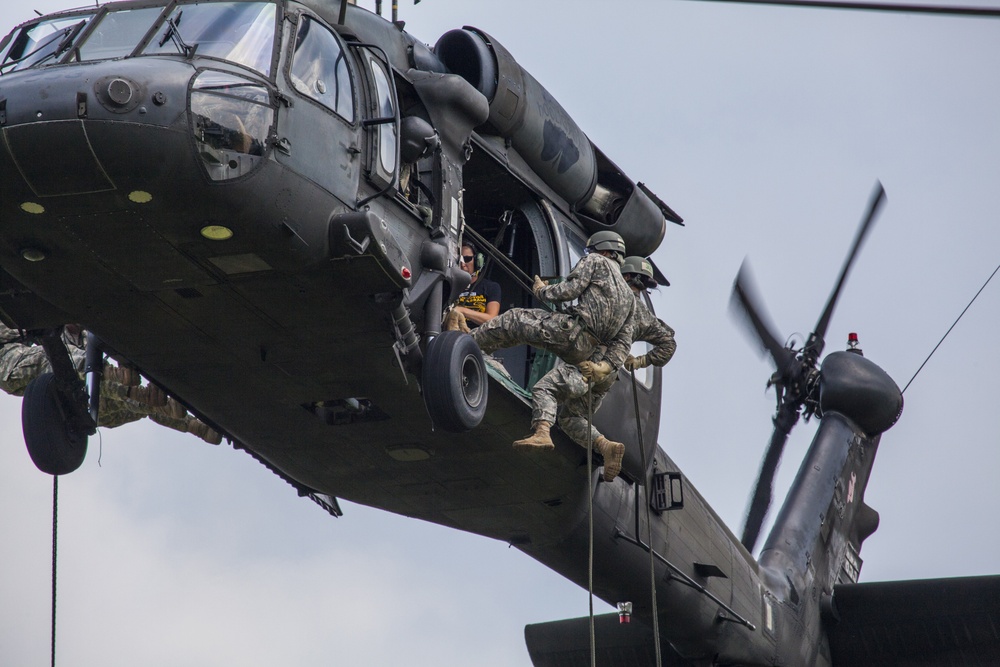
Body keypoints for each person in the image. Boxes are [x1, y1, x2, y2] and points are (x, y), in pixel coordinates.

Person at [445, 231, 634, 477]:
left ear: (604, 251)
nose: (590, 255)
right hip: (599, 364)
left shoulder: (596, 262)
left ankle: (462, 342)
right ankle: (602, 446)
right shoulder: (630, 298)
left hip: (575, 335)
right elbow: (624, 343)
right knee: (568, 415)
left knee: (515, 320)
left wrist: (543, 290)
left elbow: (570, 289)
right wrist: (603, 367)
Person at [0, 323, 222, 444]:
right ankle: (124, 383)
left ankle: (189, 422)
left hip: (82, 406)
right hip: (9, 362)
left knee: (123, 405)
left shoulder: (83, 336)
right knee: (53, 361)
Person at [555, 256, 676, 476]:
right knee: (571, 417)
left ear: (626, 276)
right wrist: (639, 362)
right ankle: (605, 446)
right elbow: (669, 343)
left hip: (588, 362)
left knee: (548, 393)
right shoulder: (644, 315)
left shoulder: (611, 296)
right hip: (609, 374)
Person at [453, 241, 501, 327]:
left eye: (467, 259)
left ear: (477, 262)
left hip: (480, 336)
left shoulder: (491, 287)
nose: (463, 264)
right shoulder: (448, 287)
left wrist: (462, 310)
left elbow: (492, 320)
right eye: (459, 260)